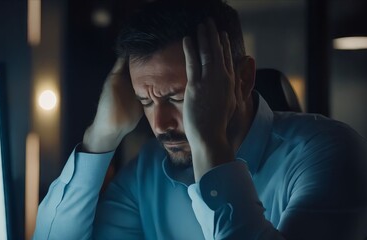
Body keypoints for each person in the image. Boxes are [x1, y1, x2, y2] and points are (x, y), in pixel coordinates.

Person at [33, 0, 367, 239]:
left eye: (179, 97)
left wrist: (210, 146)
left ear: (243, 79)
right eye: (145, 101)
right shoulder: (147, 171)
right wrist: (100, 137)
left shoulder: (331, 152)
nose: (160, 123)